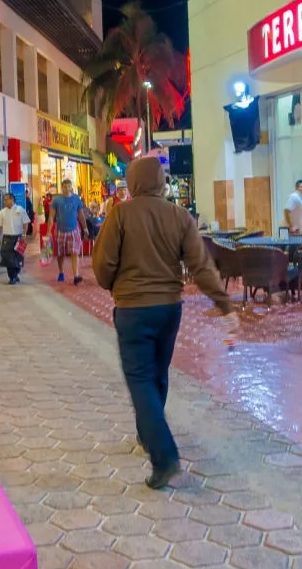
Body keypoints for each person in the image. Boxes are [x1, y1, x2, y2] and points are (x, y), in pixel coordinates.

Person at [92, 157, 233, 490]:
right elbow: (201, 266)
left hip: (132, 309)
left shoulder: (120, 215)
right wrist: (225, 304)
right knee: (157, 373)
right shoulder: (179, 216)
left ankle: (164, 456)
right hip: (169, 309)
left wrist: (115, 284)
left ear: (133, 181)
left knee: (140, 380)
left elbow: (102, 268)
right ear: (161, 181)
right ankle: (149, 431)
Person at [46, 179, 86, 285]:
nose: (66, 188)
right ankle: (61, 272)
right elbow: (51, 216)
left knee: (74, 252)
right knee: (60, 254)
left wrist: (85, 228)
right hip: (60, 231)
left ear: (71, 187)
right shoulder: (56, 200)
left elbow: (81, 215)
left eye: (69, 186)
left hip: (74, 230)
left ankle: (76, 275)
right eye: (64, 186)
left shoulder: (77, 199)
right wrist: (48, 232)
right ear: (61, 188)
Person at [0, 192, 28, 284]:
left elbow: (25, 223)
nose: (4, 201)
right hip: (7, 238)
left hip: (18, 238)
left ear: (12, 200)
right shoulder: (2, 212)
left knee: (18, 258)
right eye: (4, 200)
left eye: (6, 199)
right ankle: (12, 277)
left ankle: (16, 273)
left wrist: (24, 235)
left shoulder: (20, 210)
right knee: (8, 258)